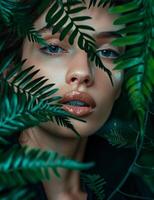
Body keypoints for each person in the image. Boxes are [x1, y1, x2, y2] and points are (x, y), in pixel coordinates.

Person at [1, 0, 154, 199]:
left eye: (107, 52)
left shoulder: (133, 191)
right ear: (12, 71)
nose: (82, 72)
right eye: (54, 48)